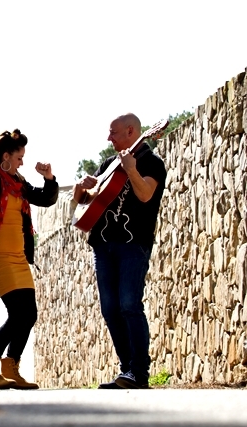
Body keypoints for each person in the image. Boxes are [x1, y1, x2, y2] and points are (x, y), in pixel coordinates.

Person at [0, 90, 59, 389]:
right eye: (19, 158)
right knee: (18, 313)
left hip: (19, 258)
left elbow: (46, 199)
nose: (22, 163)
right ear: (5, 156)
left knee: (28, 315)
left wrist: (49, 178)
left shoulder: (19, 184)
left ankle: (11, 366)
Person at [72, 113, 166, 389]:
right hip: (103, 244)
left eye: (113, 132)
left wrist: (132, 170)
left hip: (133, 244)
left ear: (130, 131)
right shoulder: (108, 164)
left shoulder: (152, 163)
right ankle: (127, 371)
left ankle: (139, 372)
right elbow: (86, 201)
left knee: (129, 305)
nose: (108, 138)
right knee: (110, 309)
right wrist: (81, 187)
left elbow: (145, 194)